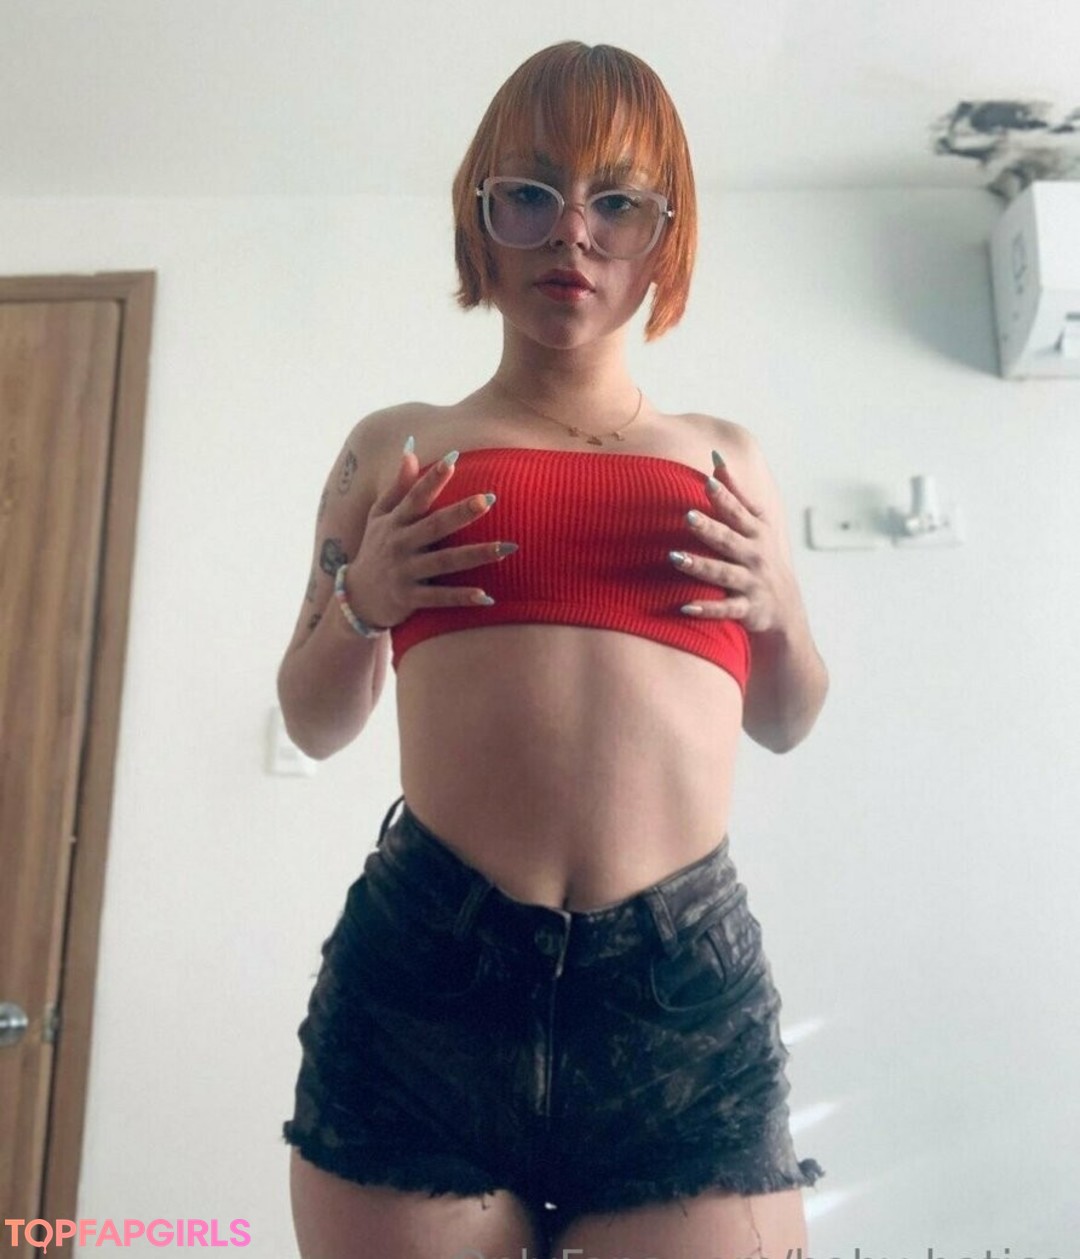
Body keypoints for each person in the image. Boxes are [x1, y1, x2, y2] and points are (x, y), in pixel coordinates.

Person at [279, 40, 828, 1259]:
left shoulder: (726, 455)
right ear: (480, 219)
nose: (571, 232)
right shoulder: (397, 445)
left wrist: (781, 605)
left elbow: (789, 715)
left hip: (676, 999)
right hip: (425, 985)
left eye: (616, 200)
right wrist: (364, 599)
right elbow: (311, 717)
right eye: (529, 193)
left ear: (665, 236)